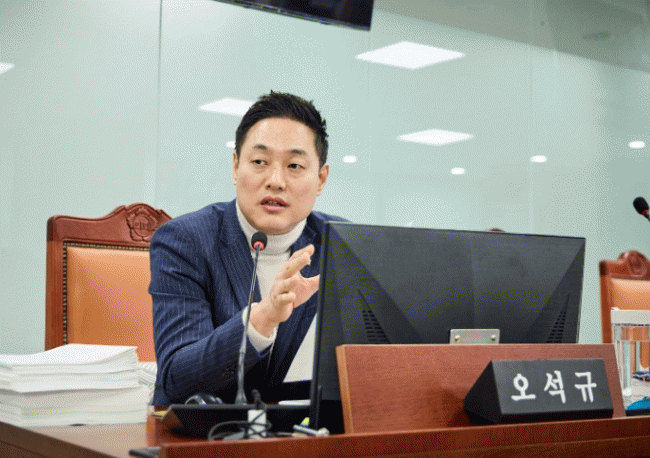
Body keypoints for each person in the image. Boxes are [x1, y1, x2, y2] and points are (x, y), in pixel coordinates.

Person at [149, 92, 345, 405]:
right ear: (236, 166)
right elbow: (177, 381)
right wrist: (262, 318)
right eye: (259, 162)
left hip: (309, 429)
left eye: (294, 165)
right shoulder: (185, 241)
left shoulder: (341, 245)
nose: (276, 181)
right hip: (210, 431)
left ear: (321, 179)